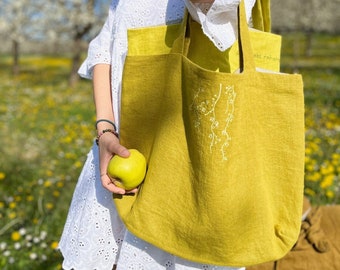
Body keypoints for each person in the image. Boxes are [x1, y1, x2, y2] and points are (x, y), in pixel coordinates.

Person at [58, 0, 258, 269]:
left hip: (190, 177)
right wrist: (105, 130)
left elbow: (222, 21)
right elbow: (106, 46)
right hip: (120, 156)